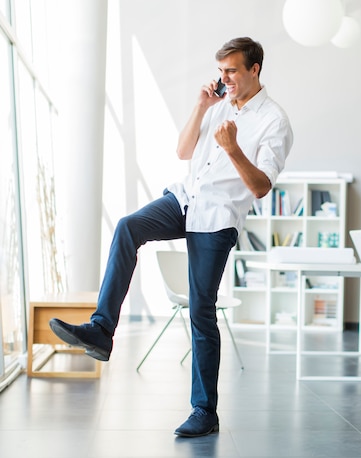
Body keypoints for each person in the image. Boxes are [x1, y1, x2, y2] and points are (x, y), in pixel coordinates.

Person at [49, 37, 294, 436]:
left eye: (232, 70)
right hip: (184, 199)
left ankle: (205, 411)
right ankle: (102, 330)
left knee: (200, 308)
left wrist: (233, 150)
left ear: (255, 69)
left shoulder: (274, 121)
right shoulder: (217, 105)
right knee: (128, 227)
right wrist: (202, 107)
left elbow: (261, 186)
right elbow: (183, 152)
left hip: (217, 217)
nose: (224, 78)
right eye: (221, 72)